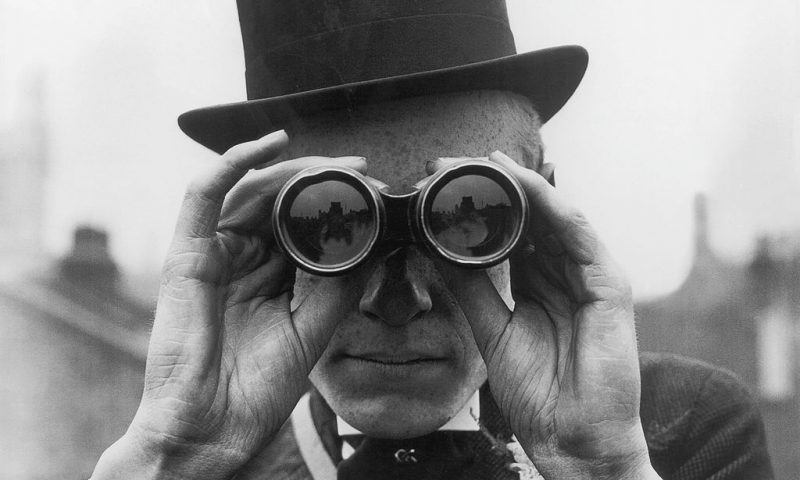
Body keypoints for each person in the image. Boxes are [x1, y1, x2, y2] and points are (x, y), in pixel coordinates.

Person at [90, 1, 774, 479]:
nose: (398, 300)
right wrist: (170, 462)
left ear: (540, 214)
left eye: (461, 216)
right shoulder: (208, 459)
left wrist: (604, 469)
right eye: (333, 221)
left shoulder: (675, 433)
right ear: (262, 234)